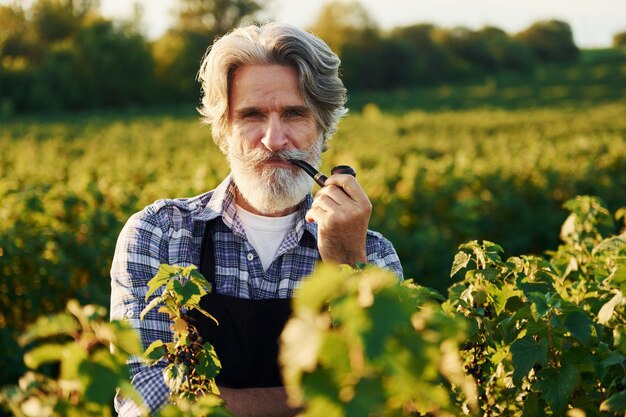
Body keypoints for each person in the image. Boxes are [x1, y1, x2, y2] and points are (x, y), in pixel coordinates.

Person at [110, 22, 403, 417]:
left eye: (294, 114)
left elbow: (389, 396)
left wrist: (347, 262)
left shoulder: (371, 251)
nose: (274, 139)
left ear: (323, 127)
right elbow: (143, 400)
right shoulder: (160, 234)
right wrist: (315, 400)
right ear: (224, 131)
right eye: (252, 115)